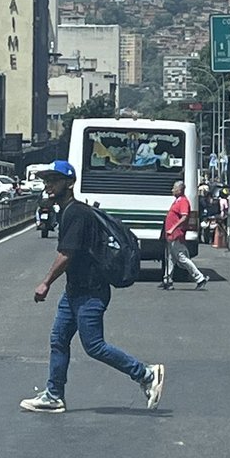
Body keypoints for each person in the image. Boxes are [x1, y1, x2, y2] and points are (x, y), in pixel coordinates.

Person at [19, 160, 165, 414]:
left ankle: (145, 373)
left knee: (94, 346)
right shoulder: (67, 211)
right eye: (46, 181)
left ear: (70, 183)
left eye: (54, 180)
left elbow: (67, 253)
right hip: (75, 290)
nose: (49, 185)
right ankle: (54, 395)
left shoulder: (76, 213)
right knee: (58, 340)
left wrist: (45, 283)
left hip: (90, 292)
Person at [161, 180, 208, 290]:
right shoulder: (177, 201)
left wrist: (173, 228)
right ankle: (167, 280)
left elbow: (184, 217)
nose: (172, 190)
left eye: (174, 188)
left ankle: (200, 278)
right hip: (171, 235)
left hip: (176, 234)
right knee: (170, 258)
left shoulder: (183, 202)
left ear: (179, 190)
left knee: (182, 258)